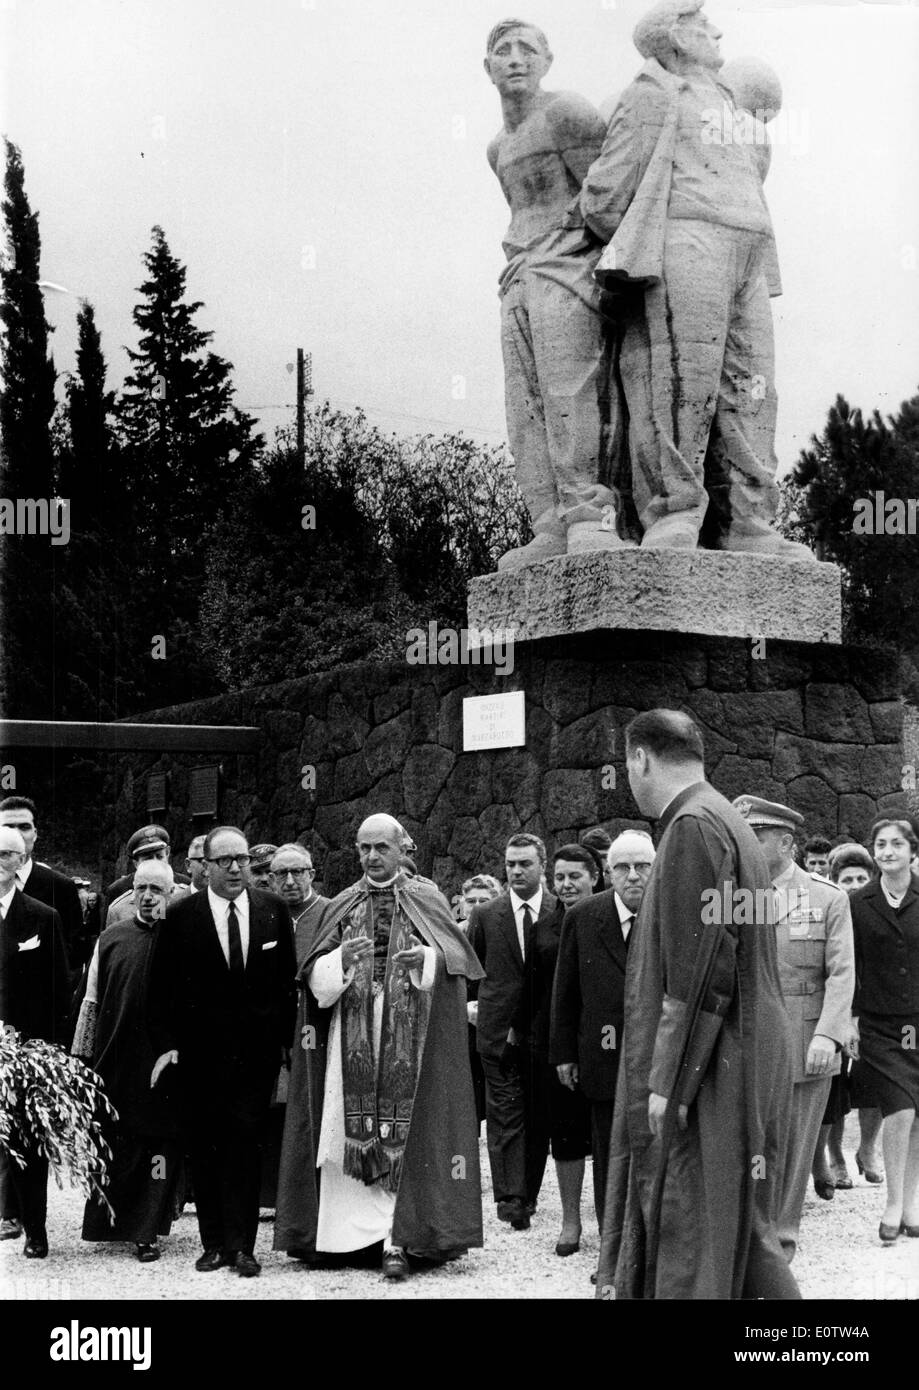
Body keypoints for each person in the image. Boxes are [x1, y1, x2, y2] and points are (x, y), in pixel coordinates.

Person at [580, 1, 812, 559]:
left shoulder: (737, 110)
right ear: (675, 38)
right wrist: (653, 243)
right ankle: (673, 515)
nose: (716, 30)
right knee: (681, 383)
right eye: (701, 23)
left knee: (753, 388)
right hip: (688, 245)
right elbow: (603, 198)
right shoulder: (651, 95)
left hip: (750, 256)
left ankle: (750, 522)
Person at [596, 710, 799, 1299]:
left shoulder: (691, 826)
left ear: (640, 759)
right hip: (742, 1045)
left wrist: (668, 1082)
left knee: (698, 1230)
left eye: (626, 764)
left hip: (717, 1058)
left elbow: (699, 968)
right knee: (740, 1231)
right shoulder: (725, 819)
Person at [273, 813, 484, 1281]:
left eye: (381, 848)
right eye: (364, 848)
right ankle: (346, 1239)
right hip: (352, 1035)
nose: (372, 857)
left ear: (402, 849)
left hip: (411, 1039)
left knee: (407, 1137)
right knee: (345, 1131)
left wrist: (423, 961)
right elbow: (313, 979)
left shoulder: (427, 899)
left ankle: (397, 1238)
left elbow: (452, 967)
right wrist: (338, 962)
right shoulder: (343, 903)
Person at [483, 19, 632, 568]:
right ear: (488, 68)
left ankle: (590, 514)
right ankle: (548, 524)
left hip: (570, 269)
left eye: (528, 49)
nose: (515, 59)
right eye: (503, 51)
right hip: (518, 273)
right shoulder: (496, 146)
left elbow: (609, 198)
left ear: (547, 60)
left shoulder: (566, 112)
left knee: (572, 392)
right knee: (525, 405)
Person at [147, 826, 296, 1277]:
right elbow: (160, 991)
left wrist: (283, 1046)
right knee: (206, 1146)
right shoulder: (180, 917)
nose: (236, 868)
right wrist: (168, 1048)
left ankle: (243, 1246)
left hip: (256, 1056)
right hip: (199, 1058)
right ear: (206, 866)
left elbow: (285, 984)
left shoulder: (272, 911)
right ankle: (213, 1243)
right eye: (225, 861)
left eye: (243, 859)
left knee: (246, 1145)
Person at [733, 796, 854, 1260]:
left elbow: (842, 974)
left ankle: (780, 1244)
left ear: (784, 843)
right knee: (751, 1146)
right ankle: (746, 1236)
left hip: (807, 1044)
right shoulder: (734, 897)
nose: (746, 845)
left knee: (795, 1148)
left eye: (756, 837)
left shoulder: (828, 897)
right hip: (747, 1043)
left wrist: (829, 1035)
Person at [71, 861, 182, 1262]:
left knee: (158, 1147)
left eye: (157, 889)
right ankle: (110, 1222)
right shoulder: (111, 938)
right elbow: (92, 1000)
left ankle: (146, 1231)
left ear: (171, 893)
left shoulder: (181, 937)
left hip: (163, 1060)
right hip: (116, 1056)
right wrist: (83, 1059)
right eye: (142, 887)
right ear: (132, 891)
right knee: (120, 1145)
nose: (149, 895)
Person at [551, 831, 655, 1226]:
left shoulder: (673, 914)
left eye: (642, 867)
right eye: (623, 868)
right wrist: (563, 1054)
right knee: (610, 1155)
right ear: (607, 873)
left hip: (659, 1057)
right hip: (602, 1057)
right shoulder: (583, 917)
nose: (633, 876)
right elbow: (566, 990)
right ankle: (612, 1245)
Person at [468, 832, 564, 1234]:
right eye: (510, 864)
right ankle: (511, 1198)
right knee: (505, 1114)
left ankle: (528, 1192)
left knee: (539, 1117)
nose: (517, 871)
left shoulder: (562, 912)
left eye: (525, 863)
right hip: (497, 1034)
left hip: (544, 1033)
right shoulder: (487, 915)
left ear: (542, 866)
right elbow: (474, 972)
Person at [848, 818, 919, 1244]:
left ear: (913, 851)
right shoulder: (858, 902)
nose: (888, 850)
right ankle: (893, 1203)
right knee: (901, 1109)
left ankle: (911, 1205)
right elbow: (845, 964)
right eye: (881, 844)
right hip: (877, 1023)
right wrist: (849, 1017)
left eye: (897, 843)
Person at [0, 825, 70, 1257]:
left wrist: (50, 1053)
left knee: (26, 1140)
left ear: (21, 861)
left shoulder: (42, 917)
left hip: (22, 1048)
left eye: (7, 855)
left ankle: (34, 1229)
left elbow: (59, 990)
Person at [810, 842, 878, 1198]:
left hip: (871, 1011)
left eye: (860, 878)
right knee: (833, 1087)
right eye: (846, 878)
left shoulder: (875, 911)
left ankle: (866, 1150)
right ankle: (831, 1155)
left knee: (869, 1082)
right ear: (834, 880)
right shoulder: (826, 908)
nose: (853, 884)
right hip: (834, 1009)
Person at [0, 796, 87, 975]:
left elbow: (74, 956)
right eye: (8, 827)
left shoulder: (61, 887)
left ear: (35, 834)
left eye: (24, 827)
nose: (16, 833)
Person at [459, 874, 502, 1126]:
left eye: (483, 900)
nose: (476, 907)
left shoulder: (501, 934)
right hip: (461, 1021)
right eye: (470, 900)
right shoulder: (452, 934)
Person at [102, 825, 189, 925]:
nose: (155, 863)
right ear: (136, 863)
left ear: (168, 853)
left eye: (159, 857)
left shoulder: (185, 885)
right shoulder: (118, 890)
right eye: (148, 859)